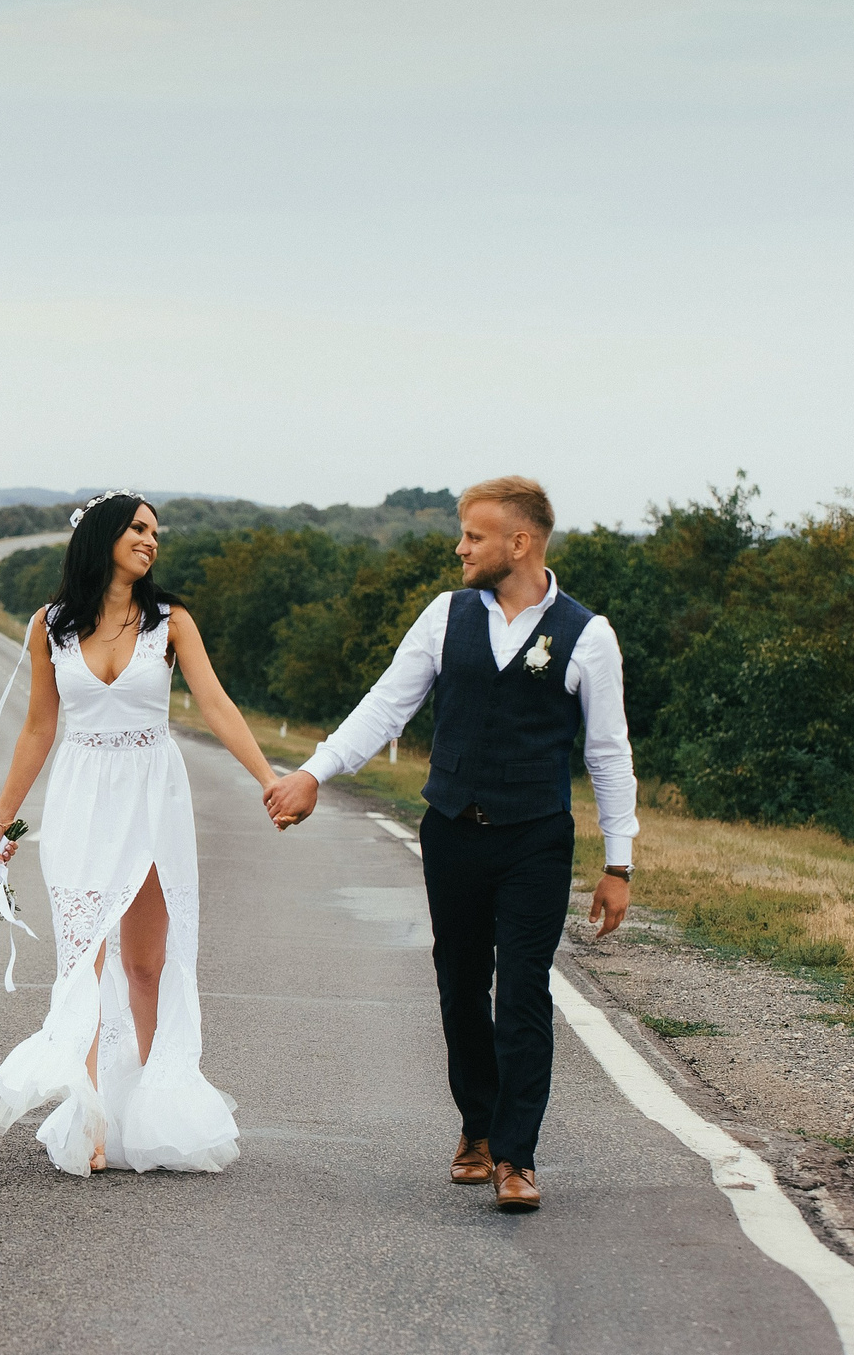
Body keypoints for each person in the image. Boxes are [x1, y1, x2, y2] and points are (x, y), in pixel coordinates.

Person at [262, 476, 637, 1213]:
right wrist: (314, 773)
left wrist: (618, 862)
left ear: (519, 543)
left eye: (474, 535)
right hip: (452, 832)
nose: (459, 547)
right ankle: (477, 1128)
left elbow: (609, 753)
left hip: (536, 838)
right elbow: (385, 706)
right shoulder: (446, 616)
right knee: (460, 983)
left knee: (523, 989)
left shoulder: (588, 634)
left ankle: (517, 1157)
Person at [0, 490, 282, 1175]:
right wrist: (5, 816)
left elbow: (216, 705)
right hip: (83, 797)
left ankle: (154, 1110)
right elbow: (38, 728)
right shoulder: (51, 625)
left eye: (156, 530)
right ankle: (88, 1120)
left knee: (147, 964)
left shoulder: (171, 622)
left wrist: (268, 778)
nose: (152, 539)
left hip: (154, 796)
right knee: (81, 955)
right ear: (103, 536)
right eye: (139, 528)